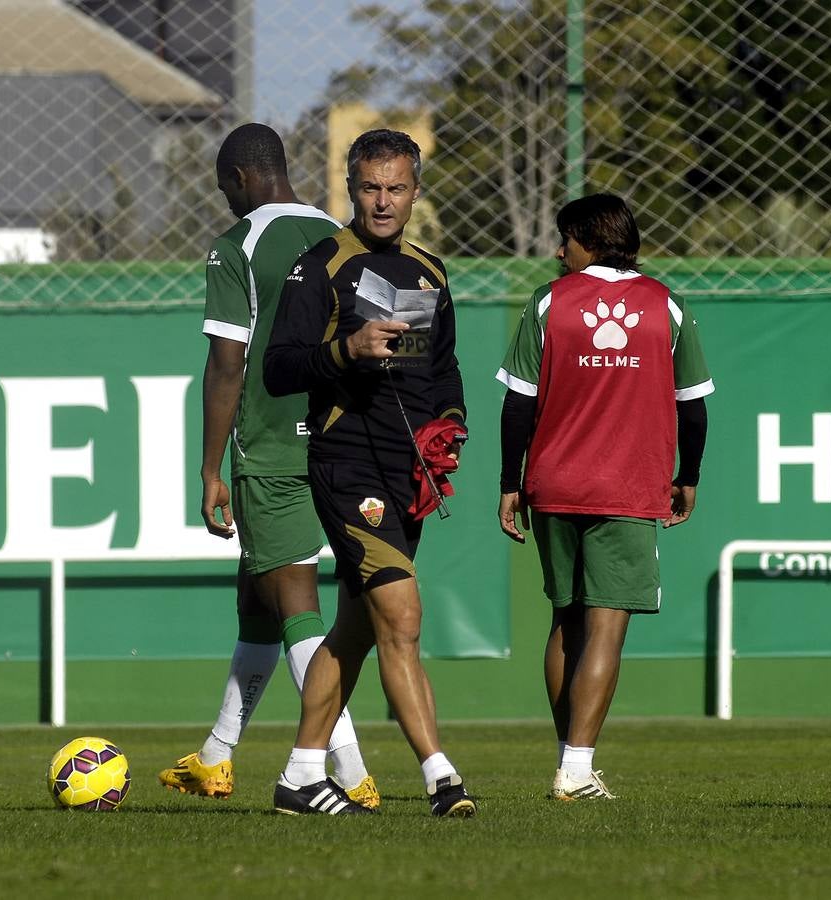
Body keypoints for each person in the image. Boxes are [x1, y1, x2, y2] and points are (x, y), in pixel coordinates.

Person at [156, 123, 378, 808]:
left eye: (225, 187)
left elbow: (227, 366)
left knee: (294, 608)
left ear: (241, 178)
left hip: (275, 448)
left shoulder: (238, 246)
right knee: (256, 598)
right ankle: (216, 756)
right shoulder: (342, 236)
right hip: (344, 446)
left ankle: (348, 770)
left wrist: (209, 468)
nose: (226, 199)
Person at [263, 129, 476, 817]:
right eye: (368, 188)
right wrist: (345, 348)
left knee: (356, 629)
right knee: (401, 616)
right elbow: (277, 368)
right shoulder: (319, 265)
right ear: (349, 188)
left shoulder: (430, 271)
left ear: (415, 191)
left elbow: (443, 370)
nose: (381, 202)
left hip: (408, 475)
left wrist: (450, 428)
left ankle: (299, 775)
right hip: (345, 463)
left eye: (395, 188)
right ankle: (442, 778)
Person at [496, 193, 712, 800]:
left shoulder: (548, 302)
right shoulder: (664, 305)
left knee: (565, 620)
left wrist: (509, 482)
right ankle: (575, 767)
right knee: (606, 625)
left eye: (565, 238)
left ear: (589, 238)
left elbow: (518, 404)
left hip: (554, 483)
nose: (558, 250)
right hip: (627, 485)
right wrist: (687, 475)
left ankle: (572, 761)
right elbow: (692, 407)